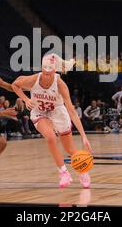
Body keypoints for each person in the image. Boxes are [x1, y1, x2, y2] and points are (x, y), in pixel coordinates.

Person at [12, 54, 93, 188]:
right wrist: (26, 99)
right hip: (40, 112)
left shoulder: (60, 84)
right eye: (45, 73)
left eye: (50, 73)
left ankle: (83, 171)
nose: (47, 76)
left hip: (58, 112)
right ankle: (63, 172)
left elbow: (72, 111)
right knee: (50, 137)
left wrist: (84, 136)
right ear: (42, 70)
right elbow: (15, 85)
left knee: (70, 149)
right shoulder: (34, 79)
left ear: (55, 71)